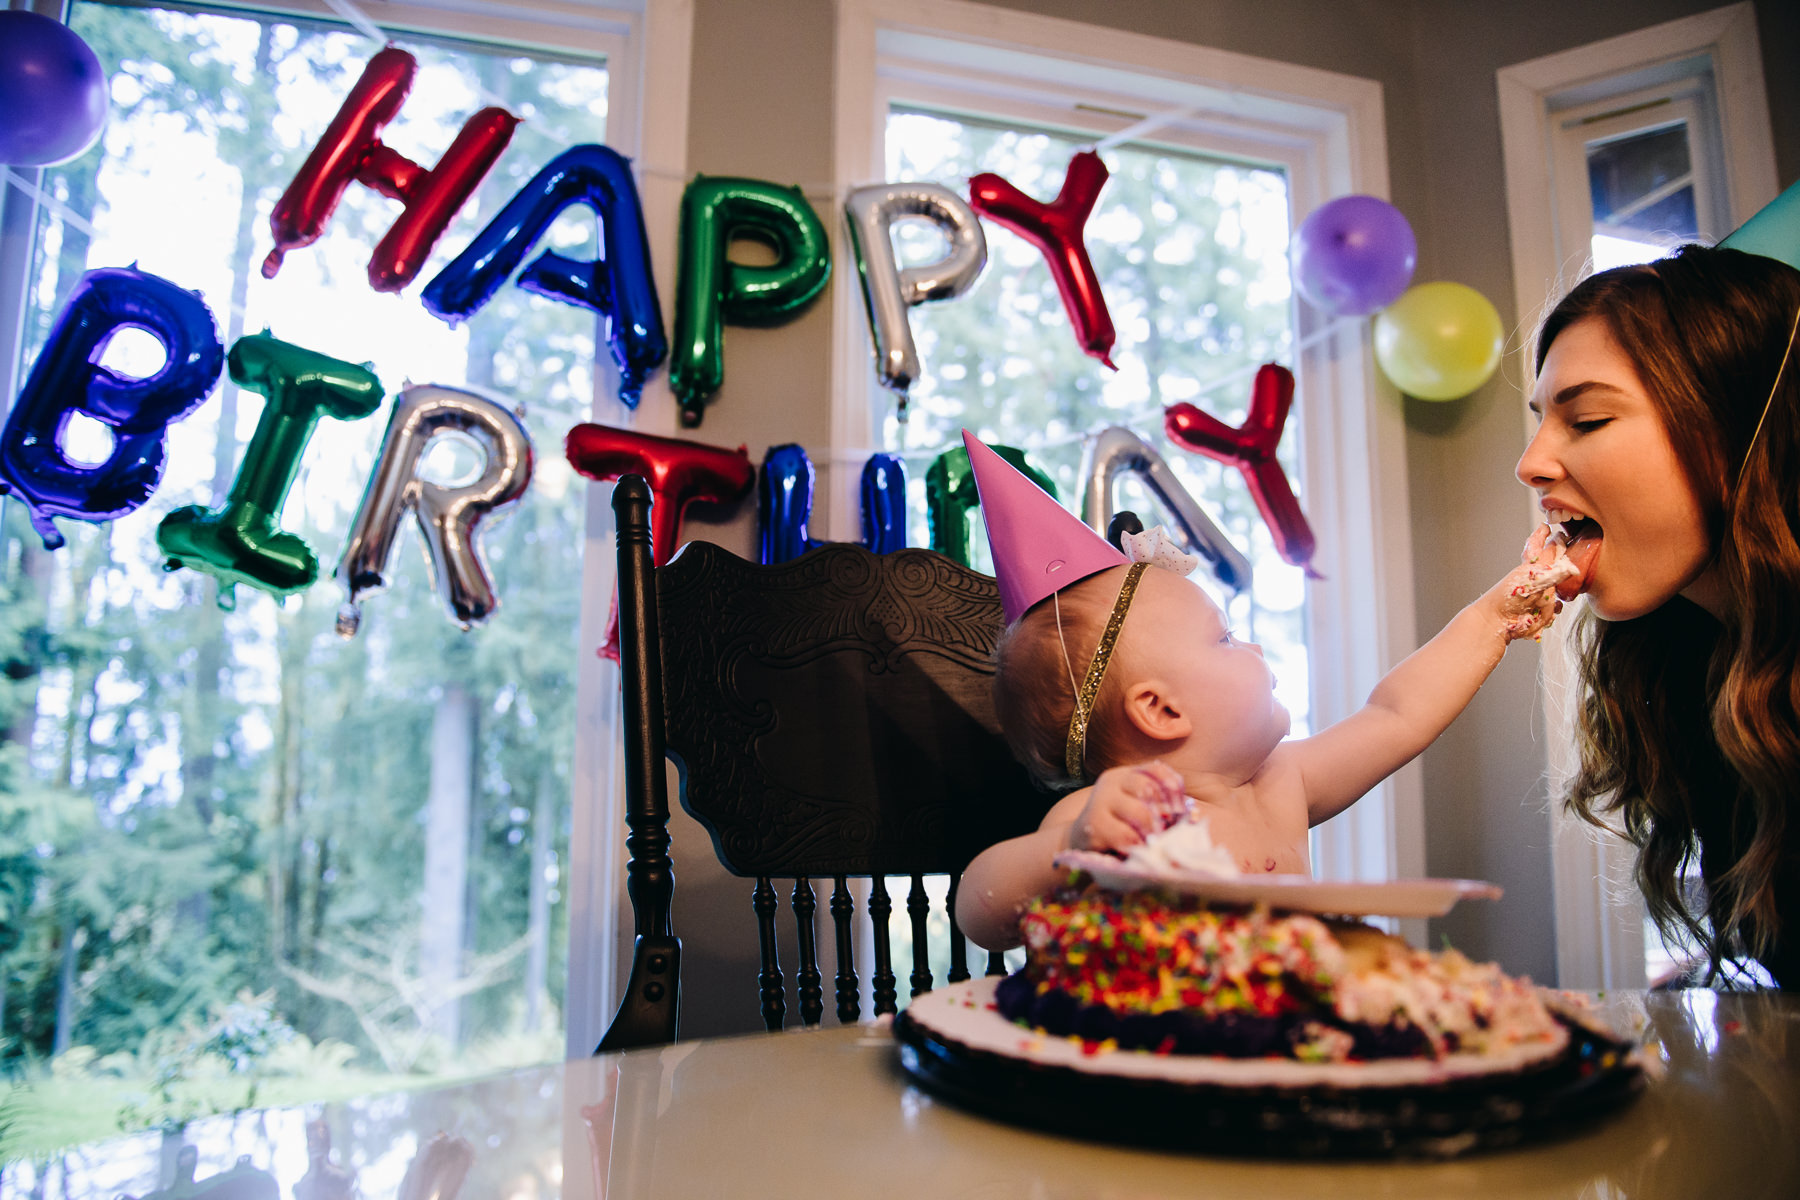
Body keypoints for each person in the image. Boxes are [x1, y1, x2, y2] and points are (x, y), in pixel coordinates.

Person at [952, 432, 1571, 950]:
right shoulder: (1114, 822)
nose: (1252, 648)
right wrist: (1068, 845)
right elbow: (981, 910)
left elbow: (1398, 712)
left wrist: (1494, 619)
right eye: (1225, 640)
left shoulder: (1282, 783)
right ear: (1160, 709)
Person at [1514, 243, 1800, 988]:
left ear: (1742, 430)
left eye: (1589, 419)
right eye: (1543, 419)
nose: (1531, 462)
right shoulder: (1699, 680)